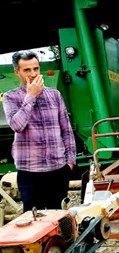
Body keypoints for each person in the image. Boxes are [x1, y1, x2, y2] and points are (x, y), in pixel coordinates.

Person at [2, 50, 76, 212]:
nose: (33, 74)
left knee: (59, 218)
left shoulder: (55, 95)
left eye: (36, 69)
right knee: (33, 220)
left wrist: (70, 162)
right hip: (30, 172)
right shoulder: (10, 97)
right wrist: (31, 96)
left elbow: (66, 130)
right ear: (17, 72)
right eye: (27, 70)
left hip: (58, 169)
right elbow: (16, 125)